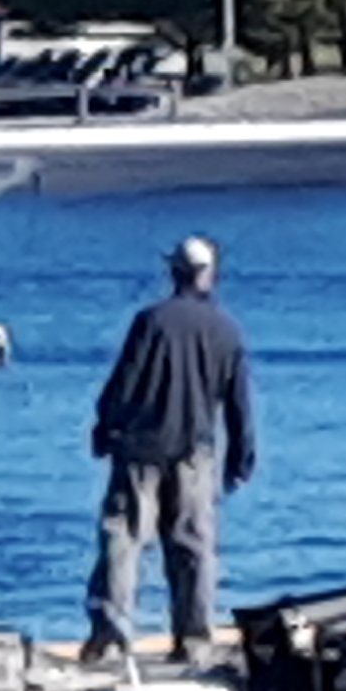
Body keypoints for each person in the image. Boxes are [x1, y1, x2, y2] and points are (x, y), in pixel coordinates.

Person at [85, 232, 255, 663]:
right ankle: (194, 640)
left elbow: (124, 383)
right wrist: (241, 455)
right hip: (195, 454)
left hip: (141, 450)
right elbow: (238, 402)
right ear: (210, 275)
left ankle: (112, 636)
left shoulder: (151, 322)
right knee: (193, 547)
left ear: (173, 271)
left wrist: (105, 428)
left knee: (124, 540)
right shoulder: (227, 330)